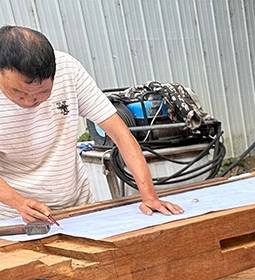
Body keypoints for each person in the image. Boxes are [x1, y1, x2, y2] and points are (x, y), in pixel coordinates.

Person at [0, 25, 182, 223]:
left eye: (43, 93)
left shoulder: (68, 70)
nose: (30, 101)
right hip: (15, 217)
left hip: (77, 206)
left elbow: (121, 134)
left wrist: (149, 196)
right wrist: (19, 203)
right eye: (19, 93)